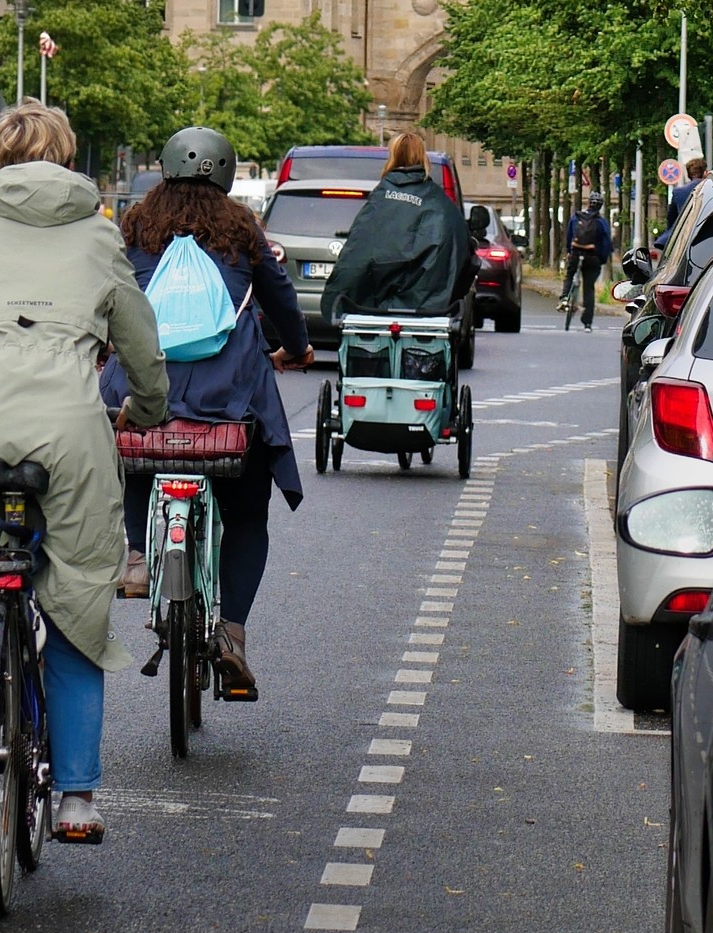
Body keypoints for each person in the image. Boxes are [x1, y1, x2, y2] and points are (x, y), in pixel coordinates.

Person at [0, 102, 169, 844]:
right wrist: (147, 409)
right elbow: (139, 342)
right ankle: (77, 799)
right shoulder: (99, 235)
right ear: (69, 159)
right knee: (78, 603)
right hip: (72, 429)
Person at [99, 126, 314, 701]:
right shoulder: (242, 229)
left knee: (135, 447)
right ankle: (233, 634)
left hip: (146, 389)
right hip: (228, 400)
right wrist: (295, 348)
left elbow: (108, 298)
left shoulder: (135, 227)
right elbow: (280, 300)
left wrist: (103, 348)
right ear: (227, 173)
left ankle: (139, 555)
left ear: (165, 167)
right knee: (246, 514)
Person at [320, 132, 472, 327]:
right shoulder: (441, 204)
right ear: (423, 157)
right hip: (428, 312)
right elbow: (460, 255)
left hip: (375, 310)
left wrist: (335, 300)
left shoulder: (381, 199)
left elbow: (357, 255)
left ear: (393, 157)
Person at [561, 190, 612, 330]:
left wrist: (569, 252)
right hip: (592, 257)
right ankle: (587, 322)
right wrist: (601, 260)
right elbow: (606, 243)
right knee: (588, 288)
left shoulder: (576, 217)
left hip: (576, 254)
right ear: (600, 206)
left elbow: (569, 236)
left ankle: (564, 298)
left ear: (588, 203)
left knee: (570, 275)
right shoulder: (601, 222)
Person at [653, 157, 707, 251]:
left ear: (688, 174)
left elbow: (671, 220)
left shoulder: (678, 192)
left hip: (684, 240)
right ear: (705, 173)